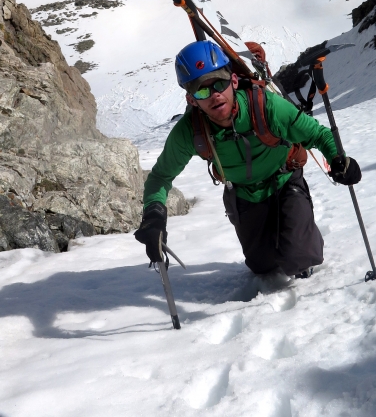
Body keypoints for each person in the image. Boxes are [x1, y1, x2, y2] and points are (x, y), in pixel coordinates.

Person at [135, 40, 362, 279]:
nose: (214, 96)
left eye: (219, 84)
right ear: (191, 99)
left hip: (284, 179)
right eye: (202, 90)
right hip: (243, 194)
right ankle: (287, 236)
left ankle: (301, 235)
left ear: (233, 81)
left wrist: (339, 160)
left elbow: (318, 134)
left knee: (299, 258)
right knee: (262, 267)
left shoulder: (266, 106)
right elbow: (161, 176)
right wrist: (154, 213)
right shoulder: (189, 132)